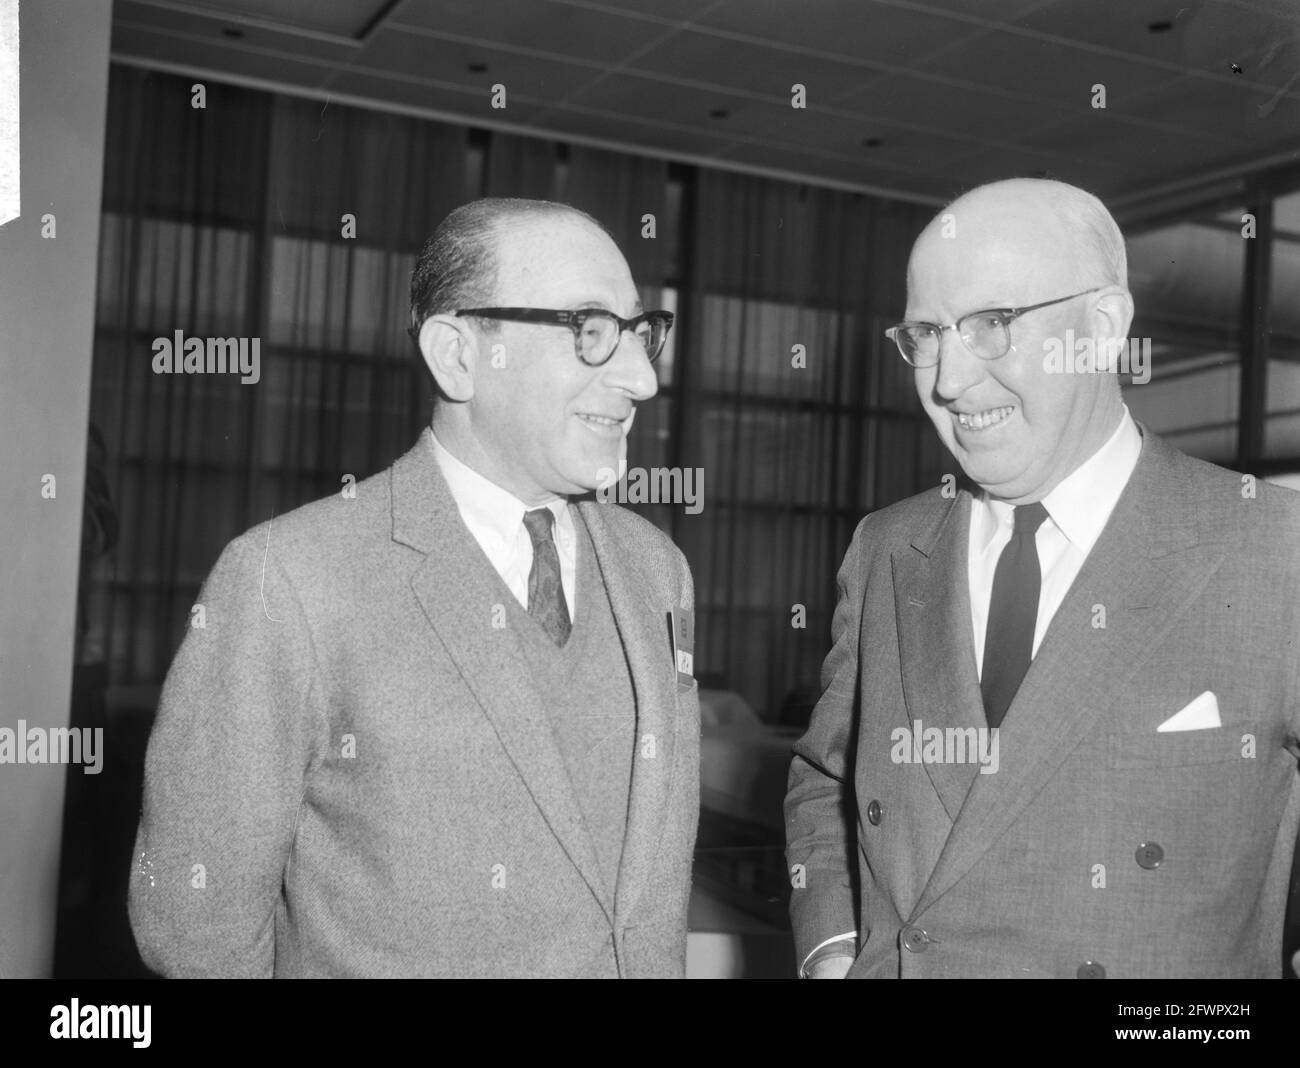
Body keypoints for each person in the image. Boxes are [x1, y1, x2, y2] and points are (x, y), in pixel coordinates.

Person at [130, 198, 700, 978]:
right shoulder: (286, 579)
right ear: (458, 355)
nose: (641, 378)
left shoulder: (656, 570)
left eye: (641, 333)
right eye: (590, 331)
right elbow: (195, 929)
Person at [785, 178, 1300, 979]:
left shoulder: (1274, 549)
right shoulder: (888, 548)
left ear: (1101, 328)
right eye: (927, 332)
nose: (948, 379)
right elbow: (826, 776)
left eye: (993, 324)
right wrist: (830, 952)